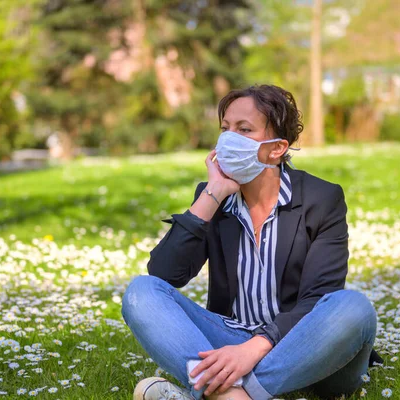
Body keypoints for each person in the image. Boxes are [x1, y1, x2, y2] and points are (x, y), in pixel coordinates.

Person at [122, 84, 383, 400]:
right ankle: (231, 395)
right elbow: (164, 274)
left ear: (276, 149)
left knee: (354, 307)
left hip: (307, 346)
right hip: (230, 340)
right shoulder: (213, 196)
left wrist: (254, 349)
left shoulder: (322, 199)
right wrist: (213, 193)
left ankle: (223, 393)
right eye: (225, 129)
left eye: (244, 130)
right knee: (141, 291)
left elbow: (318, 297)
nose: (228, 140)